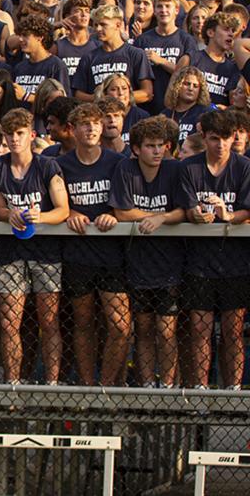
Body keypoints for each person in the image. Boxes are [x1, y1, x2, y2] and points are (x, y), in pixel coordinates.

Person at [0, 108, 70, 384]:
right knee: (9, 323)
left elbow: (63, 210)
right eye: (9, 134)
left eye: (20, 133)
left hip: (45, 253)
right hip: (10, 253)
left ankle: (53, 383)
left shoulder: (47, 166)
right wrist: (7, 213)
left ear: (31, 135)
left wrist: (40, 216)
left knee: (49, 322)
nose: (14, 139)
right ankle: (13, 383)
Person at [110, 116, 186, 388]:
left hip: (170, 264)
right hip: (137, 262)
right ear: (136, 149)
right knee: (142, 329)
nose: (157, 151)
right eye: (150, 146)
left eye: (161, 146)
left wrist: (161, 219)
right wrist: (158, 214)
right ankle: (146, 386)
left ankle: (166, 384)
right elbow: (121, 211)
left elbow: (182, 211)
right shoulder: (125, 169)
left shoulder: (175, 169)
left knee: (166, 331)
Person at [176, 110, 250, 388]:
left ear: (234, 139)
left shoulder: (244, 167)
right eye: (214, 139)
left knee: (232, 331)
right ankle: (200, 392)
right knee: (199, 331)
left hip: (236, 262)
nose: (221, 145)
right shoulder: (189, 168)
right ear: (204, 138)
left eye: (227, 139)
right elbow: (185, 207)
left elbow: (245, 210)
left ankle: (233, 392)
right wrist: (195, 215)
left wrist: (229, 215)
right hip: (199, 261)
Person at [57, 103, 128, 386]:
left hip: (112, 256)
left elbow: (125, 204)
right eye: (85, 124)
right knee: (83, 323)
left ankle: (107, 387)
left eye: (96, 123)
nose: (92, 129)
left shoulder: (117, 162)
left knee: (120, 326)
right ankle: (88, 388)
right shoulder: (61, 165)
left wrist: (113, 214)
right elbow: (55, 205)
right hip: (78, 254)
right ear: (72, 130)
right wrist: (70, 213)